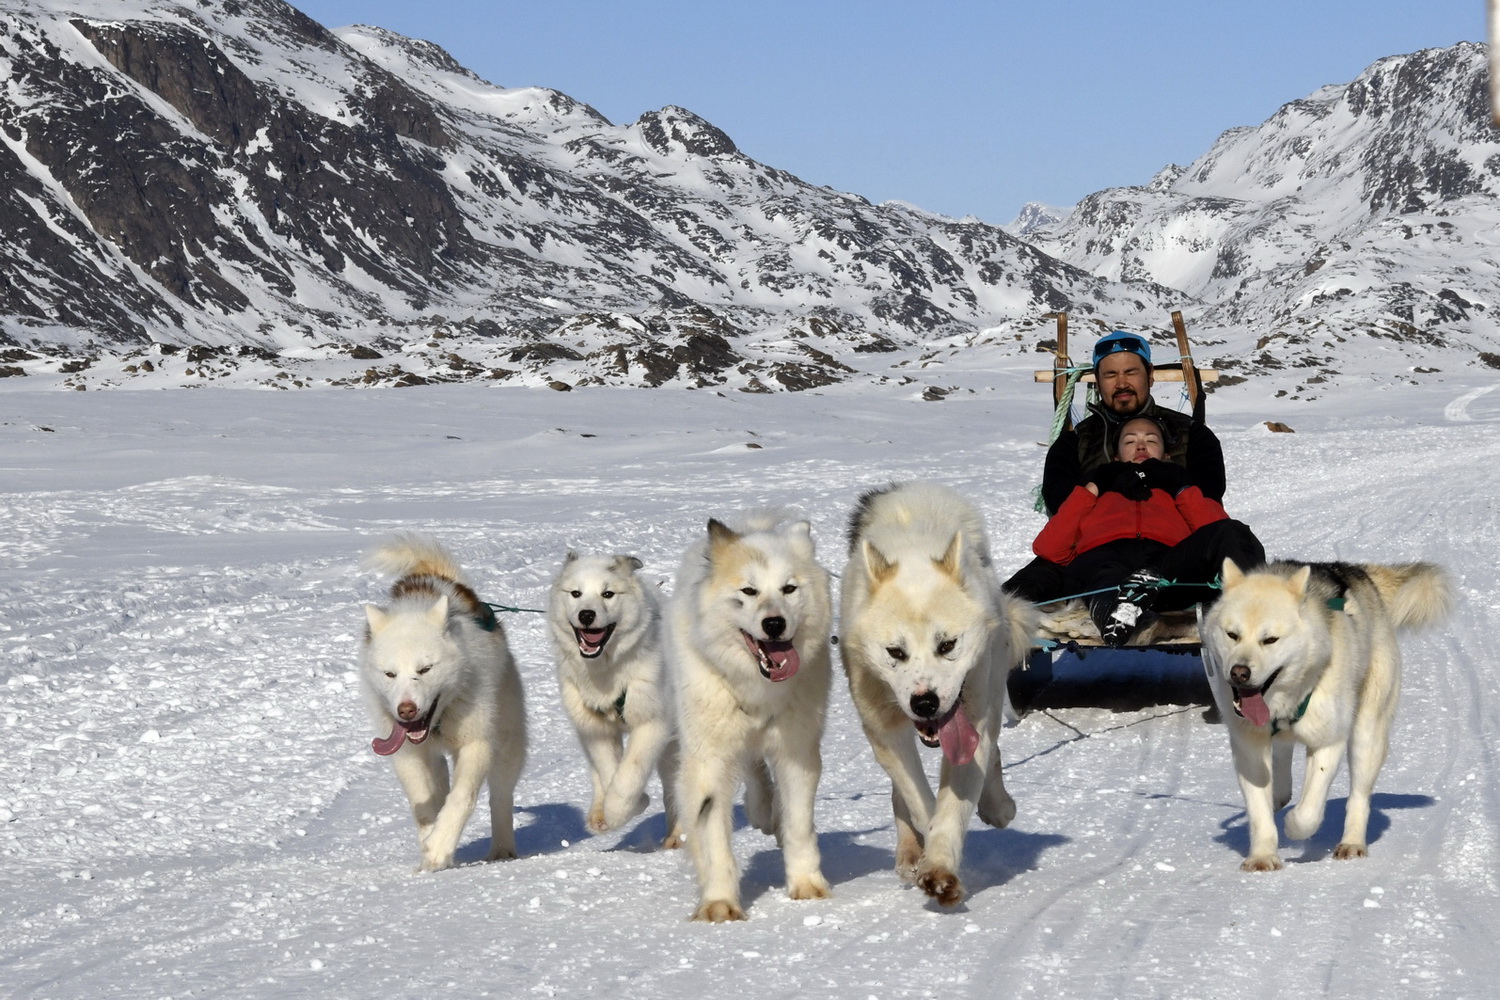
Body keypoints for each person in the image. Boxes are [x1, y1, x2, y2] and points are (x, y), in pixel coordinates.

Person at [1004, 329, 1264, 640]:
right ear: (1097, 381)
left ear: (1150, 375)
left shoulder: (1192, 435)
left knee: (1233, 534)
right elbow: (1061, 517)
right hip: (1095, 553)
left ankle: (1257, 613)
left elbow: (1210, 506)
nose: (1122, 382)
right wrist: (1099, 484)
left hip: (1171, 554)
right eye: (1110, 374)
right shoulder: (1072, 444)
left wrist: (1174, 482)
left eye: (1131, 371)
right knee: (1029, 583)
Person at [1030, 415, 1263, 645]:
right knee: (1105, 571)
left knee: (1233, 532)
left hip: (1164, 566)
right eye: (1130, 441)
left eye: (1151, 440)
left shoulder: (1178, 486)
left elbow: (1215, 528)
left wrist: (1179, 487)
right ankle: (1116, 612)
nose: (1141, 445)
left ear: (1167, 455)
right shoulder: (1096, 490)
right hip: (1102, 559)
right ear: (1116, 456)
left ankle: (1253, 606)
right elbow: (1049, 548)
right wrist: (1094, 485)